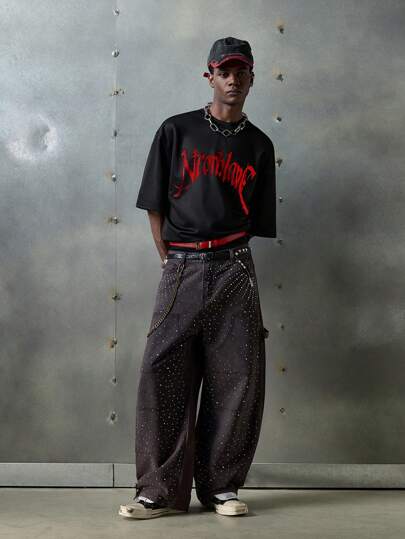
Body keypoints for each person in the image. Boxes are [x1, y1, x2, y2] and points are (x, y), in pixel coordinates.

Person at [119, 36, 276, 520]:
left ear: (252, 78)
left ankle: (221, 487)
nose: (233, 80)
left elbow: (255, 221)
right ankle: (158, 492)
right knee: (161, 371)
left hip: (235, 266)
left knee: (237, 376)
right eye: (224, 72)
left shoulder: (259, 145)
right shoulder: (177, 130)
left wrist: (227, 258)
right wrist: (170, 258)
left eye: (241, 72)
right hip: (183, 263)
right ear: (209, 76)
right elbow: (155, 204)